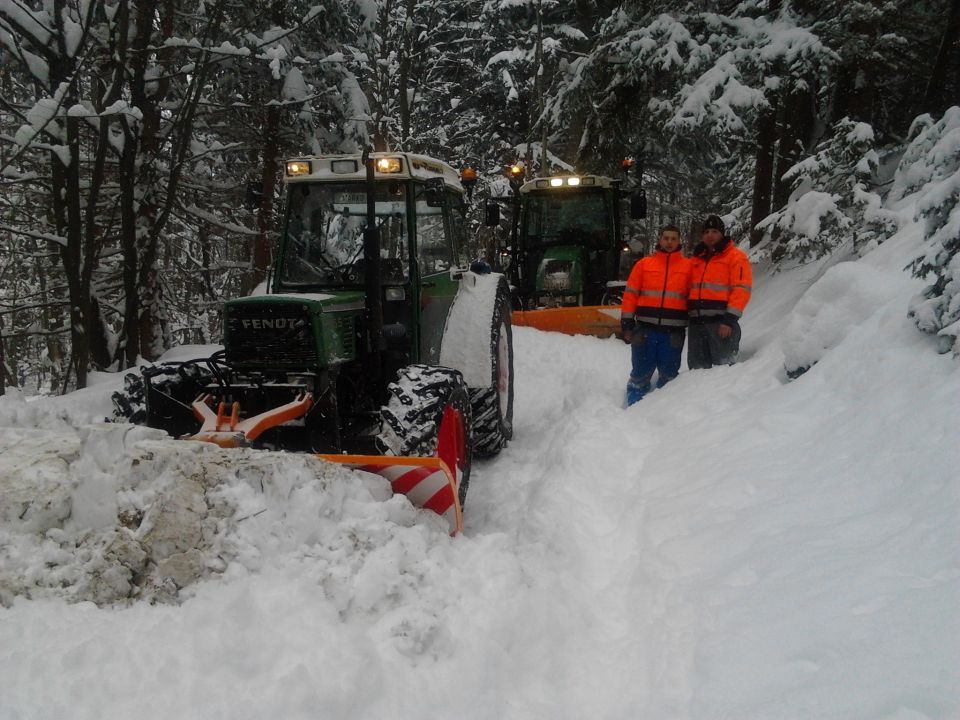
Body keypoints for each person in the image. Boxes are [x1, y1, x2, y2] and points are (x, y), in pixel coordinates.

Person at [620, 225, 692, 405]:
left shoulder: (689, 267)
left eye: (673, 238)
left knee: (669, 376)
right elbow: (630, 295)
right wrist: (627, 322)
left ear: (679, 241)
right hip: (644, 331)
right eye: (666, 238)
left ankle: (663, 412)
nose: (669, 242)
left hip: (673, 333)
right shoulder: (644, 265)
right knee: (640, 372)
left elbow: (695, 296)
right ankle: (635, 407)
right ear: (660, 239)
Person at [687, 215, 752, 368]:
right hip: (696, 325)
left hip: (721, 325)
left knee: (722, 372)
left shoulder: (736, 257)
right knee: (696, 373)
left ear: (722, 233)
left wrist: (729, 320)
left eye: (715, 231)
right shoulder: (695, 260)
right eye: (707, 231)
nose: (710, 235)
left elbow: (741, 289)